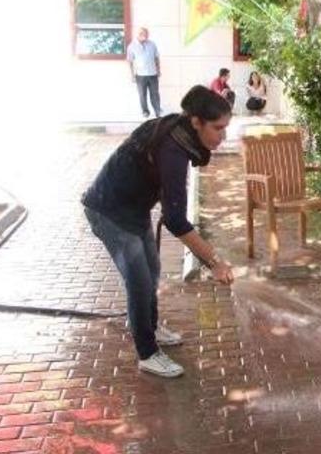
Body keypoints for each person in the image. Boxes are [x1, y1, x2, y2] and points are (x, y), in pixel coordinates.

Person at [82, 86, 235, 378]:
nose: (222, 136)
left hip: (134, 209)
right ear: (196, 122)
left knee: (151, 271)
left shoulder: (180, 134)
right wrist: (215, 262)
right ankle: (147, 353)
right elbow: (176, 219)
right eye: (217, 128)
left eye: (225, 128)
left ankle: (150, 327)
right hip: (108, 211)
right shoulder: (173, 148)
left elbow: (173, 209)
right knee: (139, 281)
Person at [127, 27, 162, 118]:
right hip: (140, 75)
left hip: (153, 74)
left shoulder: (152, 44)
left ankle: (157, 111)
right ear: (139, 34)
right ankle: (145, 111)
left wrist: (158, 70)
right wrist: (132, 75)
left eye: (147, 34)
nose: (146, 36)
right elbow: (130, 62)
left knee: (155, 94)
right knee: (142, 94)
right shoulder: (132, 46)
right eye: (144, 34)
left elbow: (156, 58)